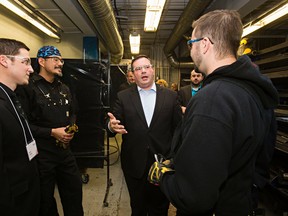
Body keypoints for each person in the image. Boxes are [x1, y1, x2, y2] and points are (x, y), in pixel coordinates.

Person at [148, 10, 278, 216]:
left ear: (205, 44)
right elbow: (262, 160)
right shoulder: (254, 90)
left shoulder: (212, 100)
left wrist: (164, 177)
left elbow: (193, 196)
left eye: (191, 44)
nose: (190, 50)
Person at [107, 55, 182, 215]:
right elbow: (111, 124)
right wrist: (111, 126)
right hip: (134, 163)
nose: (143, 71)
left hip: (163, 164)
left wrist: (174, 159)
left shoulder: (170, 96)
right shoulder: (124, 96)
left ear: (153, 69)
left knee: (160, 208)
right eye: (138, 69)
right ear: (133, 74)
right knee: (138, 208)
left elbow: (179, 130)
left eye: (146, 67)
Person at [16, 46, 83, 216]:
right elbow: (23, 125)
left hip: (65, 153)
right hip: (42, 156)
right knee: (44, 201)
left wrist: (71, 128)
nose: (60, 63)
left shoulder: (64, 88)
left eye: (61, 60)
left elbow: (73, 112)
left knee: (74, 195)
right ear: (41, 61)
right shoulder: (27, 88)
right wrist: (52, 132)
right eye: (55, 59)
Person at [0, 38, 40, 215]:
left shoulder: (12, 96)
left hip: (26, 191)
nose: (31, 69)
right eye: (25, 62)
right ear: (4, 61)